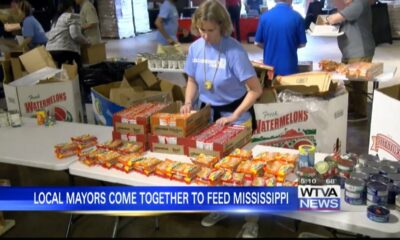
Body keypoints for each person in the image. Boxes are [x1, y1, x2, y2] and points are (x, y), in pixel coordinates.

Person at [180, 1, 262, 238]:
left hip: (236, 115)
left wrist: (234, 116)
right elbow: (193, 80)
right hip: (209, 116)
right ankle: (221, 208)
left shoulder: (234, 51)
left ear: (223, 27)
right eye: (201, 30)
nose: (205, 36)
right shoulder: (196, 48)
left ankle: (251, 219)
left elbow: (254, 90)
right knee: (212, 167)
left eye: (211, 30)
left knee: (242, 170)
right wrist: (188, 103)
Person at [323, 0, 375, 121]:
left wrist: (326, 20)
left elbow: (335, 18)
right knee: (349, 82)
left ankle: (361, 113)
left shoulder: (359, 3)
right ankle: (352, 108)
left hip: (359, 50)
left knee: (358, 82)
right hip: (349, 51)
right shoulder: (352, 5)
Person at [255, 0, 307, 77]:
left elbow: (257, 43)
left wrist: (270, 47)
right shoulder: (297, 17)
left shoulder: (264, 17)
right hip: (290, 67)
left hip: (269, 68)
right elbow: (303, 44)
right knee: (289, 88)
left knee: (270, 87)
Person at [46, 0, 90, 68]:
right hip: (66, 50)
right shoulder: (72, 16)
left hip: (50, 50)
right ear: (70, 7)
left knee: (62, 72)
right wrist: (86, 41)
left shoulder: (55, 19)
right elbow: (75, 35)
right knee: (78, 70)